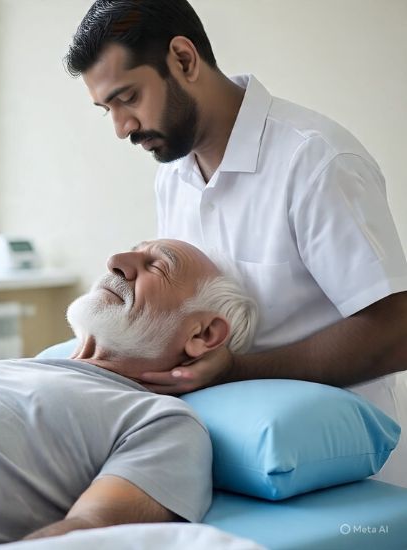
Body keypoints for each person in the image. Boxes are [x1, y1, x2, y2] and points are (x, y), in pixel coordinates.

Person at [64, 0, 407, 487]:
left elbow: (397, 332)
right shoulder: (173, 176)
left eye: (129, 98)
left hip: (331, 463)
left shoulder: (314, 161)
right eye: (108, 110)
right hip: (221, 445)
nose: (123, 128)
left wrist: (235, 371)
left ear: (183, 59)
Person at [0, 239, 257, 550]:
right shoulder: (35, 368)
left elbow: (89, 532)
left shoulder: (161, 421)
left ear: (203, 334)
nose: (115, 261)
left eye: (157, 265)